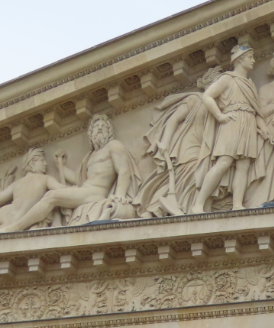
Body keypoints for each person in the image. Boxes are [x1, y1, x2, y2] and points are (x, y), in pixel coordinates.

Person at [0, 115, 140, 232]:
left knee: (51, 196)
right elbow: (78, 180)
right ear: (90, 134)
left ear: (109, 131)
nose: (99, 129)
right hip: (85, 190)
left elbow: (123, 170)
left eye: (102, 126)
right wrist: (61, 166)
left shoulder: (113, 146)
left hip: (96, 193)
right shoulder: (90, 156)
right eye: (96, 127)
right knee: (53, 197)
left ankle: (17, 227)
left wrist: (120, 195)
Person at [191, 46, 274, 213]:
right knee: (224, 162)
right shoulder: (227, 79)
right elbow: (207, 96)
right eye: (249, 57)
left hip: (248, 123)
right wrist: (219, 116)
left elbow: (256, 111)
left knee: (243, 165)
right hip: (232, 121)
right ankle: (198, 204)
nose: (253, 60)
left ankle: (237, 204)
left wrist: (266, 132)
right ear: (239, 59)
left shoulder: (250, 84)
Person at [136, 66, 224, 216]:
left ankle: (179, 207)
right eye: (218, 82)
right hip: (188, 145)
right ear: (209, 83)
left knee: (194, 178)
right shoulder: (195, 99)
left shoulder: (219, 107)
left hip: (205, 147)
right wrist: (165, 142)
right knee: (190, 174)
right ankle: (156, 208)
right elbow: (174, 120)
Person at [246, 51, 274, 207]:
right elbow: (261, 112)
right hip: (270, 133)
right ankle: (260, 199)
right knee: (267, 165)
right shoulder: (265, 89)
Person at [0, 149, 68, 230]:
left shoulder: (15, 184)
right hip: (23, 221)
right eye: (42, 161)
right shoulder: (46, 178)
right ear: (32, 163)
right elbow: (63, 191)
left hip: (7, 218)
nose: (45, 164)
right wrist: (60, 166)